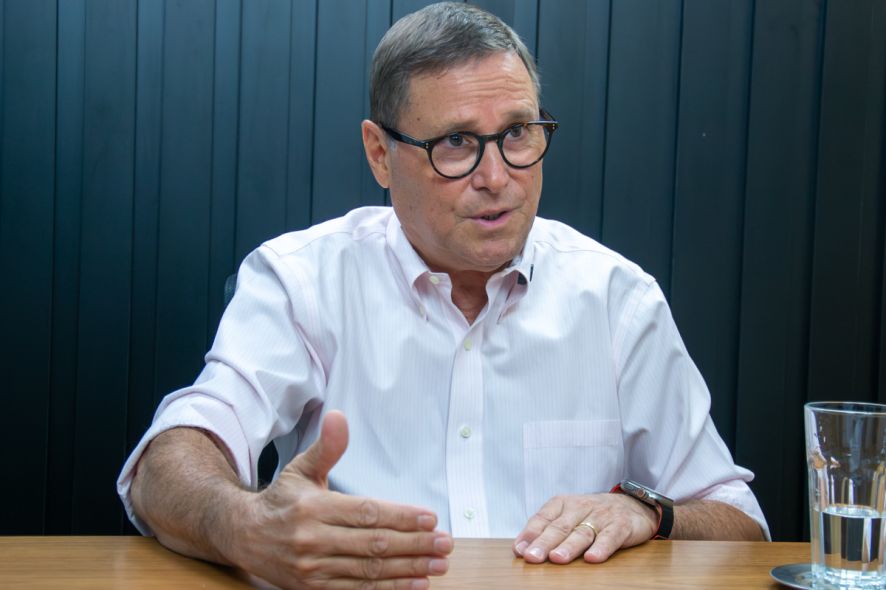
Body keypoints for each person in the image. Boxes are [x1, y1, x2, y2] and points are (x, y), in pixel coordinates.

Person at [118, 3, 769, 589]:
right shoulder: (303, 280)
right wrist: (246, 526)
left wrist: (648, 513)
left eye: (518, 133)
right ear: (380, 154)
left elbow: (741, 524)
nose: (497, 177)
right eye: (456, 142)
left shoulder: (617, 299)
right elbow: (168, 463)